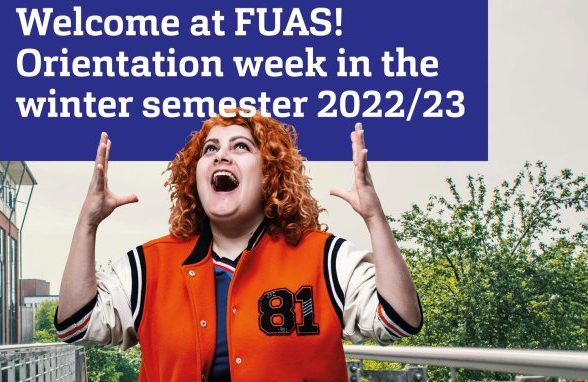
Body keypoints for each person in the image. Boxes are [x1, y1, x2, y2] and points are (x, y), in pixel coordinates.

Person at [55, 111, 423, 381]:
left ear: (270, 174)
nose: (221, 155)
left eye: (241, 146)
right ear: (193, 177)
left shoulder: (325, 257)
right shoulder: (149, 265)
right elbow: (76, 325)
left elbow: (398, 321)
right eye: (210, 149)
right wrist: (87, 224)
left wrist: (375, 219)